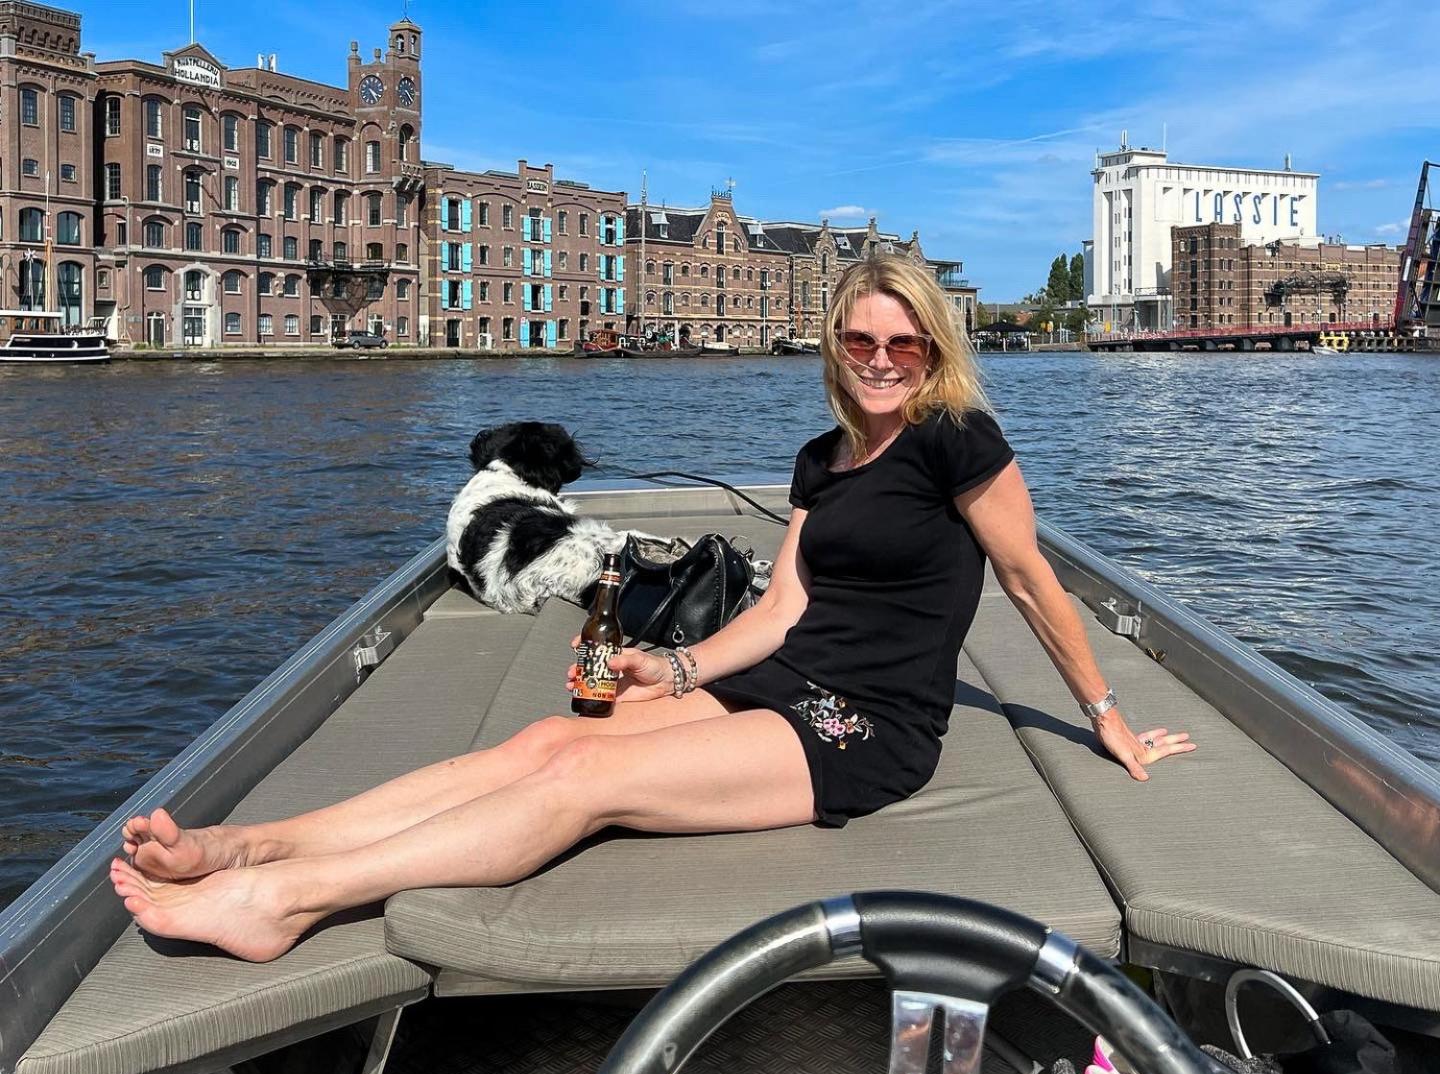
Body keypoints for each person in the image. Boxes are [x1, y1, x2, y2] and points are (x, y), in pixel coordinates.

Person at [111, 254, 1195, 962]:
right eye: (861, 341)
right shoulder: (821, 458)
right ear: (835, 346)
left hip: (863, 720)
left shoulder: (957, 439)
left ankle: (294, 899)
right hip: (783, 678)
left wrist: (1104, 712)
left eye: (903, 344)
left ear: (934, 351)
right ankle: (250, 847)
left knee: (585, 781)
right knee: (545, 741)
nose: (880, 361)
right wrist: (673, 667)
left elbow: (1029, 580)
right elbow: (784, 606)